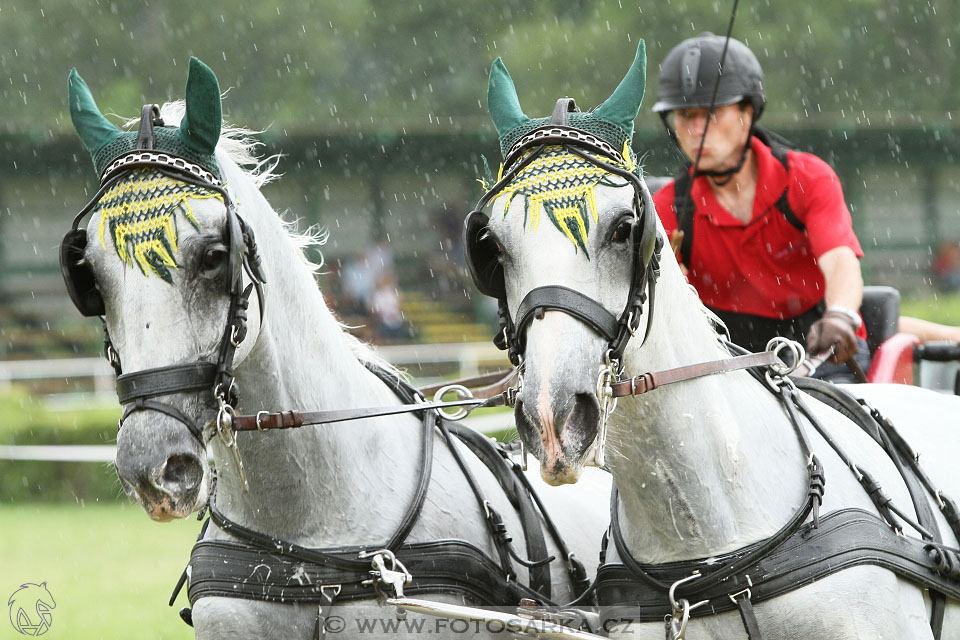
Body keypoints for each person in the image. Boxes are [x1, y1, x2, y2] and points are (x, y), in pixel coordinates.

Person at [650, 32, 869, 382]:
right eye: (681, 116)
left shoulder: (808, 178)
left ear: (746, 113)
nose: (694, 130)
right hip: (727, 363)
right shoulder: (667, 208)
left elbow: (840, 261)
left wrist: (841, 314)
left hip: (822, 350)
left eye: (709, 114)